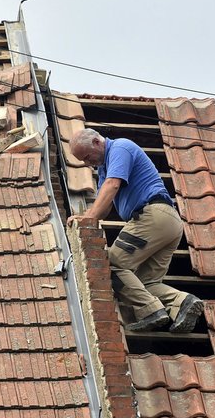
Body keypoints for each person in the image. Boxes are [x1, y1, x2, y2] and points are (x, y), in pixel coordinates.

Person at [66, 128, 203, 333]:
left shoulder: (121, 147)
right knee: (144, 283)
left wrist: (89, 218)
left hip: (151, 216)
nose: (88, 163)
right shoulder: (105, 169)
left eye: (87, 157)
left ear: (96, 142)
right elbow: (106, 205)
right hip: (168, 222)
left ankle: (151, 311)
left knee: (109, 264)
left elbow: (112, 186)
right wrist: (86, 216)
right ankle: (182, 301)